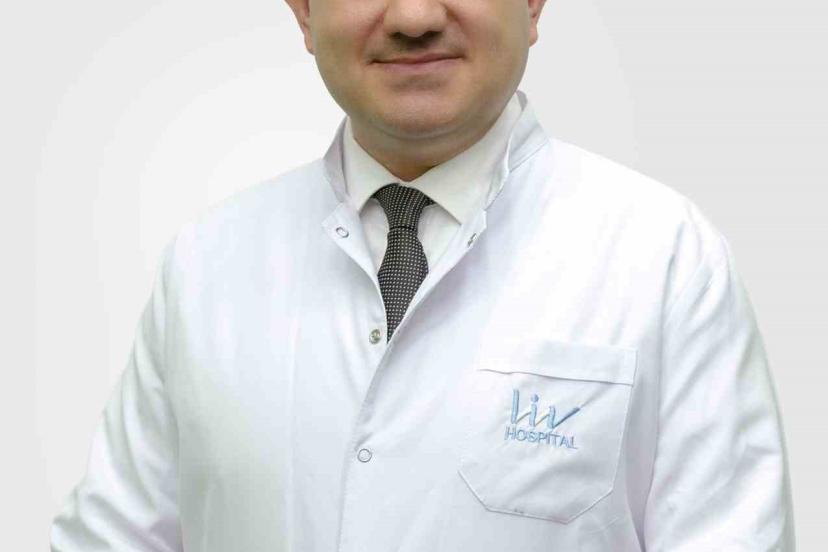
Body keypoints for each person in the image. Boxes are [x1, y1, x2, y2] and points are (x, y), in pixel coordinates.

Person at [50, 0, 795, 550]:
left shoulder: (662, 257)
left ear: (534, 3)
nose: (413, 17)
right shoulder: (206, 264)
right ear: (303, 10)